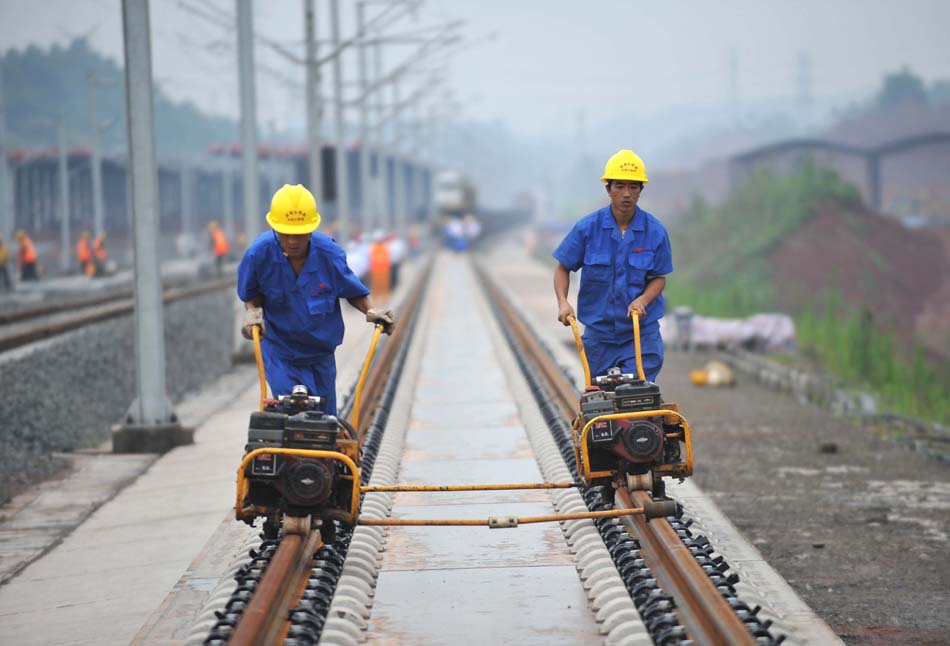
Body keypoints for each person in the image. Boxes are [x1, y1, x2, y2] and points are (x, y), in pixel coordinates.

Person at [237, 184, 396, 415]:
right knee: (289, 411)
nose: (293, 240)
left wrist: (371, 312)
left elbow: (352, 290)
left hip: (319, 354)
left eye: (300, 234)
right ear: (275, 229)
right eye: (286, 233)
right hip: (280, 351)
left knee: (323, 419)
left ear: (311, 229)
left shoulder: (329, 255)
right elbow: (250, 293)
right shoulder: (258, 254)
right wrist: (253, 313)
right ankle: (289, 452)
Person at [552, 149, 673, 382]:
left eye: (633, 187)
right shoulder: (587, 229)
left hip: (640, 335)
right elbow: (562, 268)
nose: (626, 194)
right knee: (601, 403)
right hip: (599, 338)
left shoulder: (655, 232)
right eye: (619, 186)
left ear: (641, 190)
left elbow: (659, 277)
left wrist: (642, 300)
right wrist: (563, 302)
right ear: (608, 189)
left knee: (638, 395)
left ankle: (640, 421)